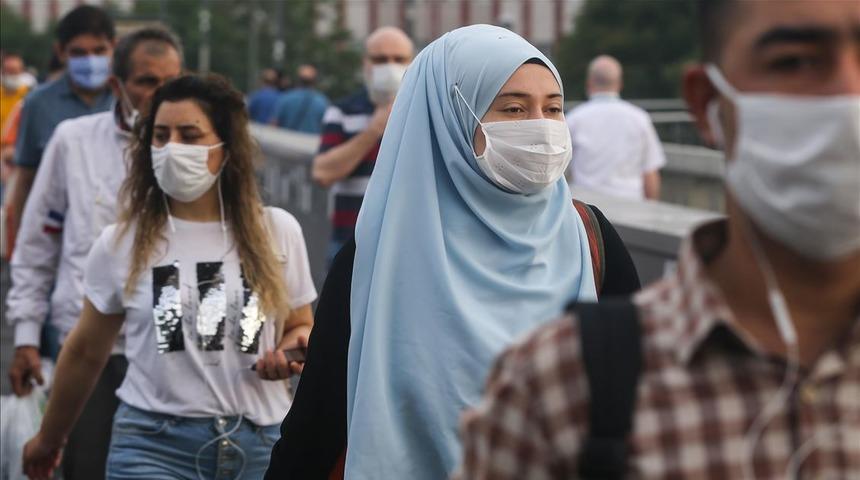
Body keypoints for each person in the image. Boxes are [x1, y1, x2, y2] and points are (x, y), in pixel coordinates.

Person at [458, 1, 860, 478]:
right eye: (794, 62)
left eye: (552, 109)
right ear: (707, 103)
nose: (847, 94)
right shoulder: (559, 387)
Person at [265, 25, 641, 479]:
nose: (540, 126)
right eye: (513, 108)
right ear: (451, 118)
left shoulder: (590, 241)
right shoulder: (380, 260)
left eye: (553, 108)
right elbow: (317, 424)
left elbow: (641, 401)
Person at [21, 74, 318, 480]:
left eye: (190, 134)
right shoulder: (122, 242)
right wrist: (49, 439)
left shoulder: (277, 231)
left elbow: (300, 325)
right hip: (152, 446)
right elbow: (85, 351)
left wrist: (290, 350)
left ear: (226, 149)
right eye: (160, 135)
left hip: (260, 445)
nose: (171, 147)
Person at [5, 27, 183, 480]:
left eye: (171, 81)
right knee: (86, 466)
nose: (159, 94)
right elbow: (38, 242)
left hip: (171, 347)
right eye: (146, 81)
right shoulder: (74, 141)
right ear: (116, 85)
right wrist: (26, 334)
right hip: (86, 346)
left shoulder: (198, 150)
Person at [5, 5, 116, 252]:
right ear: (61, 52)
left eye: (99, 51)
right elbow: (26, 179)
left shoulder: (128, 99)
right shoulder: (38, 104)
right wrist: (24, 247)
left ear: (114, 47)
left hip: (118, 238)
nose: (90, 61)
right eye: (79, 53)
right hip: (60, 240)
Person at [311, 26, 414, 262]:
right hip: (350, 244)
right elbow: (322, 172)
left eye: (398, 59)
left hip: (407, 245)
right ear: (365, 64)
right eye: (380, 59)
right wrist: (374, 130)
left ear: (413, 61)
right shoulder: (343, 111)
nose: (389, 66)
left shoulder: (425, 110)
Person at [566, 55, 666, 200]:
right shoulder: (640, 118)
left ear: (589, 83)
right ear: (620, 84)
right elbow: (650, 174)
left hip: (586, 209)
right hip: (630, 204)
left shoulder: (573, 119)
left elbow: (560, 171)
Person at [270, 64, 329, 134]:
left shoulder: (286, 98)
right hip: (311, 143)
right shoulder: (322, 101)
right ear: (314, 81)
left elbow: (274, 124)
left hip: (285, 142)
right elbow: (326, 127)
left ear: (298, 79)